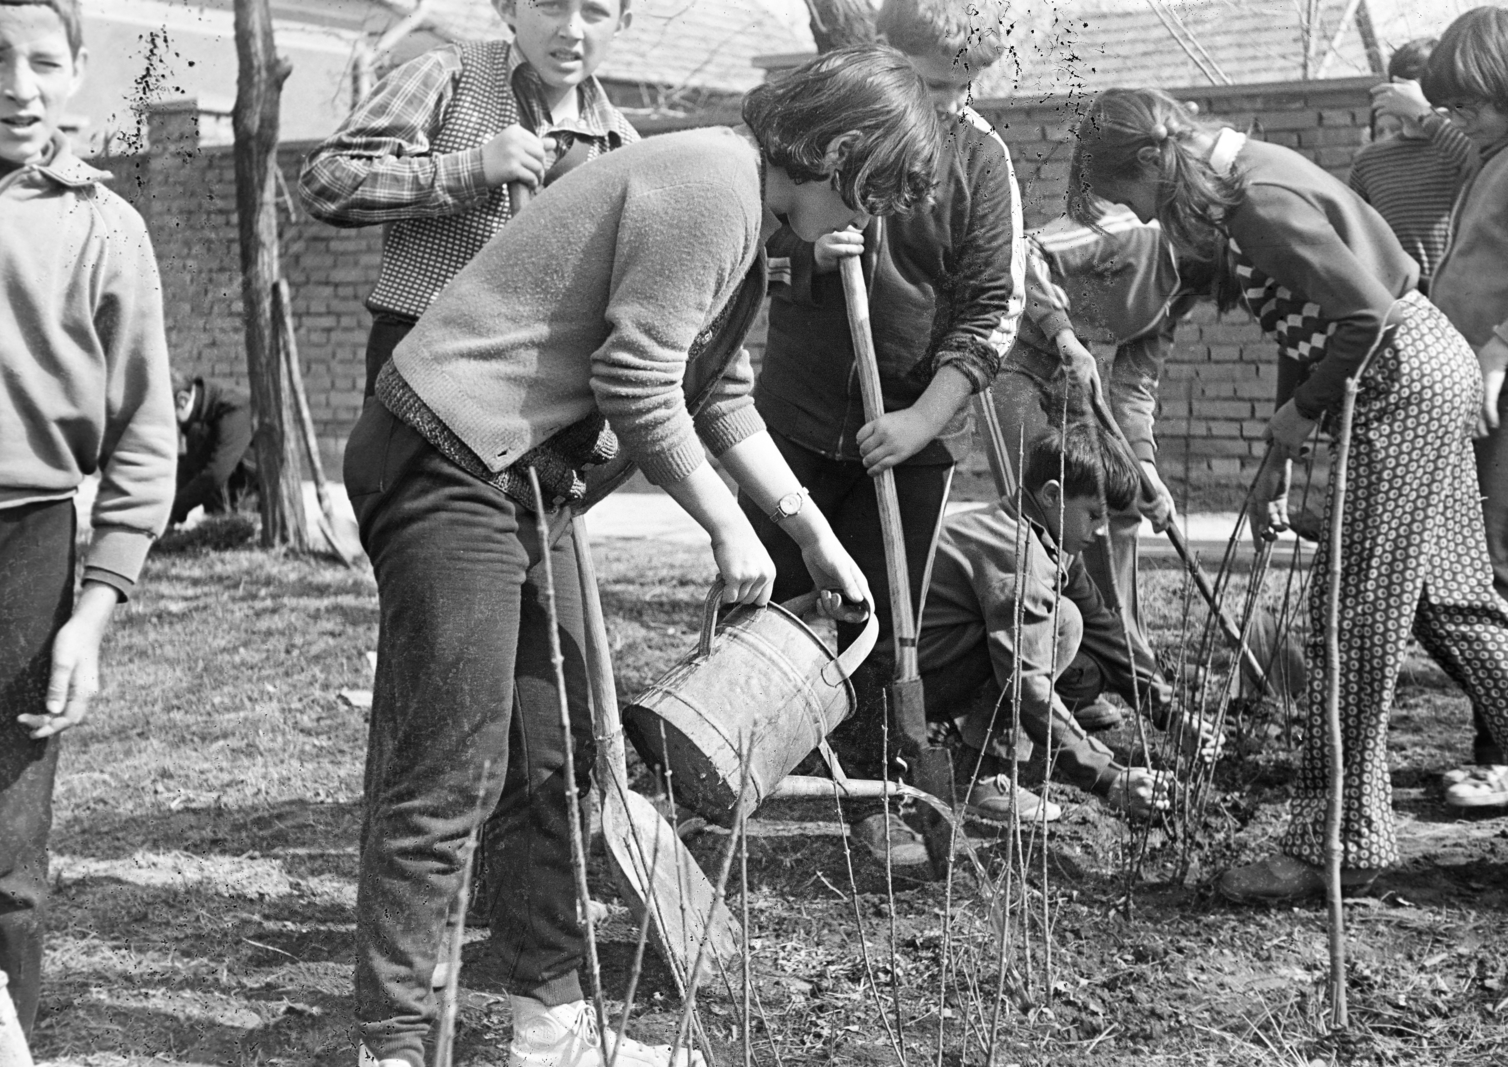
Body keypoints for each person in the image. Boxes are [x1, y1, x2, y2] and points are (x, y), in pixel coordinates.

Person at [345, 46, 939, 1067]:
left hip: (521, 478)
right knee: (451, 768)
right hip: (448, 459)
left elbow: (716, 388)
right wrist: (723, 521)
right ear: (837, 152)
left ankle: (552, 1027)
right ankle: (394, 1045)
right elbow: (637, 378)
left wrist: (808, 529)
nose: (870, 220)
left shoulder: (738, 195)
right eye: (874, 191)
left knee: (555, 757)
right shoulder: (715, 183)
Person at [1067, 86, 1508, 903]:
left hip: (1401, 377)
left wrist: (1300, 412)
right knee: (1450, 603)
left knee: (1348, 621)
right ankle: (1347, 831)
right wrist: (1282, 453)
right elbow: (1308, 319)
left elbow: (1368, 318)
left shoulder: (1260, 200)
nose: (1132, 213)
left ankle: (1335, 843)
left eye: (1122, 196)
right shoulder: (1240, 190)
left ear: (1149, 162)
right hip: (1420, 369)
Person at [0, 2, 174, 1063]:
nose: (19, 86)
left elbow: (146, 437)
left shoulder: (103, 227)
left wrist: (94, 610)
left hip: (21, 552)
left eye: (43, 62)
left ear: (75, 72)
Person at [744, 0, 1025, 866]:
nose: (943, 104)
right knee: (776, 596)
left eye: (960, 87)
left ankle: (871, 790)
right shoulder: (824, 129)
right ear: (882, 54)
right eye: (930, 83)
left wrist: (919, 421)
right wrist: (800, 257)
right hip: (794, 413)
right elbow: (744, 242)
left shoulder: (982, 159)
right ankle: (739, 768)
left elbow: (990, 315)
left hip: (908, 429)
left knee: (875, 612)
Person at [298, 0, 639, 398]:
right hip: (422, 359)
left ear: (621, 24)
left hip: (541, 383)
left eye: (594, 11)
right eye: (551, 5)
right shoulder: (448, 73)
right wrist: (475, 169)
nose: (572, 29)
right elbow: (325, 179)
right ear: (508, 7)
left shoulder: (624, 148)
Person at [920, 421, 1210, 825]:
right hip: (912, 684)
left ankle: (955, 735)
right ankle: (984, 775)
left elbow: (1105, 629)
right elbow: (1027, 686)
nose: (1100, 530)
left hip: (933, 662)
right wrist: (1108, 777)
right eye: (1093, 515)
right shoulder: (1021, 559)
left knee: (1075, 623)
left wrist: (1169, 713)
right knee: (1062, 623)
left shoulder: (1034, 530)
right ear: (1053, 495)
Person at [988, 202, 1211, 646]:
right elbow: (1023, 252)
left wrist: (1144, 468)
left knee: (1122, 499)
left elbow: (1134, 387)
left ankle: (1123, 649)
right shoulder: (1130, 231)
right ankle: (1046, 655)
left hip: (1069, 375)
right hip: (1008, 359)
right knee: (1045, 506)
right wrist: (1064, 335)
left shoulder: (1180, 296)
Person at [1419, 7, 1508, 809]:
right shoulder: (1494, 155)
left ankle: (1506, 755)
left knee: (1497, 560)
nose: (1461, 119)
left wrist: (1496, 352)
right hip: (1480, 377)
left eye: (1472, 104)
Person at [1349, 37, 1478, 289]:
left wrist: (1423, 114)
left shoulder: (1465, 146)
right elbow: (1356, 235)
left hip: (1466, 295)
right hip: (1407, 299)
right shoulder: (1369, 162)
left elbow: (1481, 164)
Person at [170, 372, 257, 527]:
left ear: (182, 400)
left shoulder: (235, 410)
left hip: (254, 496)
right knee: (197, 436)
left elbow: (215, 475)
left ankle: (225, 522)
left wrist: (172, 512)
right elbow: (188, 467)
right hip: (231, 479)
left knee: (202, 443)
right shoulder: (204, 404)